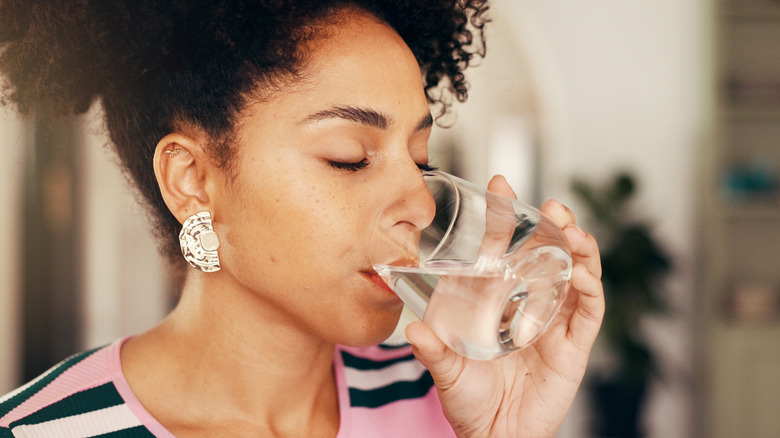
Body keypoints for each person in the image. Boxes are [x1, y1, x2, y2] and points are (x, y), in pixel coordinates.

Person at [0, 1, 605, 437]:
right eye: (349, 158)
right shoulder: (39, 430)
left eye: (421, 161)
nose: (423, 207)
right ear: (193, 180)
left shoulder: (450, 404)